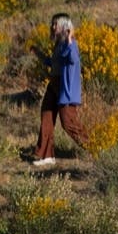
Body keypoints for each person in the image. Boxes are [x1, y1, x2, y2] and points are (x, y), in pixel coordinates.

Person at [31, 13, 88, 167]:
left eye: (55, 24)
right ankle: (46, 155)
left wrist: (70, 40)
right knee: (47, 117)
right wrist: (39, 55)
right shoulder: (59, 44)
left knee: (68, 123)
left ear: (64, 26)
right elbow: (53, 63)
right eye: (52, 24)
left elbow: (74, 60)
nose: (52, 27)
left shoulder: (71, 44)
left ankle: (93, 147)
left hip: (65, 88)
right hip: (54, 85)